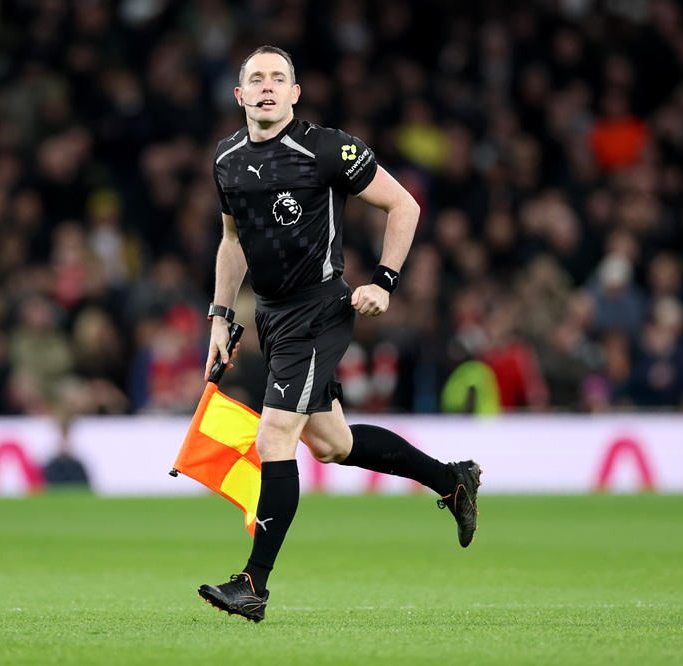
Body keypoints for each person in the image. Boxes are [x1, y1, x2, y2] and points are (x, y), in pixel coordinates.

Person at [197, 46, 481, 623]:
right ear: (240, 95)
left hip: (319, 309)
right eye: (257, 79)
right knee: (331, 444)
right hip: (271, 316)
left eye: (279, 78)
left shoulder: (327, 148)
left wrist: (385, 281)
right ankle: (451, 480)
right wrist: (221, 317)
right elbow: (231, 240)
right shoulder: (226, 159)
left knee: (274, 437)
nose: (268, 87)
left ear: (295, 93)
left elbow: (404, 205)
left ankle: (253, 584)